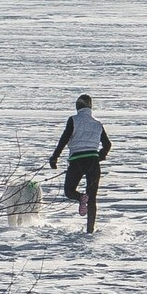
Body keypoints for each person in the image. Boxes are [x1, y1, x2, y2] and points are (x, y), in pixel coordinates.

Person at [49, 93, 112, 232]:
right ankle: (90, 230)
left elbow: (64, 140)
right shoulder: (98, 123)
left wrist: (54, 158)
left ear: (77, 107)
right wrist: (100, 156)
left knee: (69, 190)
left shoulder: (73, 120)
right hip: (93, 162)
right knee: (93, 198)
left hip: (77, 160)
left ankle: (81, 197)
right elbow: (107, 144)